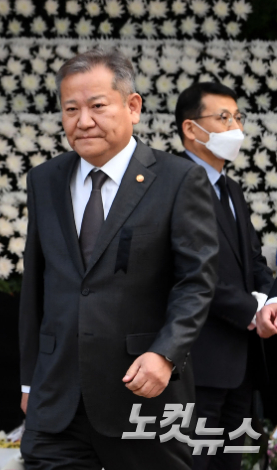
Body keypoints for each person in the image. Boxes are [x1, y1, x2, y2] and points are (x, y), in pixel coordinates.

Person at [18, 49, 219, 469]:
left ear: (133, 107)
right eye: (70, 109)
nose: (83, 121)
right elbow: (37, 285)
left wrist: (166, 353)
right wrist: (29, 377)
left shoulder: (179, 179)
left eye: (96, 106)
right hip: (56, 399)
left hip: (143, 395)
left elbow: (196, 281)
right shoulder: (45, 179)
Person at [174, 81, 274, 470]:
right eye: (222, 118)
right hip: (196, 362)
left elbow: (252, 260)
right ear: (190, 128)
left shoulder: (231, 188)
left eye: (237, 117)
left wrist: (271, 301)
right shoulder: (172, 183)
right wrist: (252, 311)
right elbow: (190, 270)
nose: (235, 127)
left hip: (241, 361)